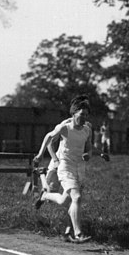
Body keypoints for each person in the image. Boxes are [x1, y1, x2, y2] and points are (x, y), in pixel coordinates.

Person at [33, 95, 94, 243]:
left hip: (79, 168)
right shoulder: (65, 127)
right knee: (77, 197)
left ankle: (45, 196)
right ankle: (78, 233)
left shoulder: (87, 129)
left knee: (64, 201)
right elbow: (48, 137)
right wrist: (41, 154)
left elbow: (89, 145)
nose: (84, 118)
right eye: (81, 114)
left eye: (86, 115)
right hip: (64, 167)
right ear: (73, 113)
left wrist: (88, 154)